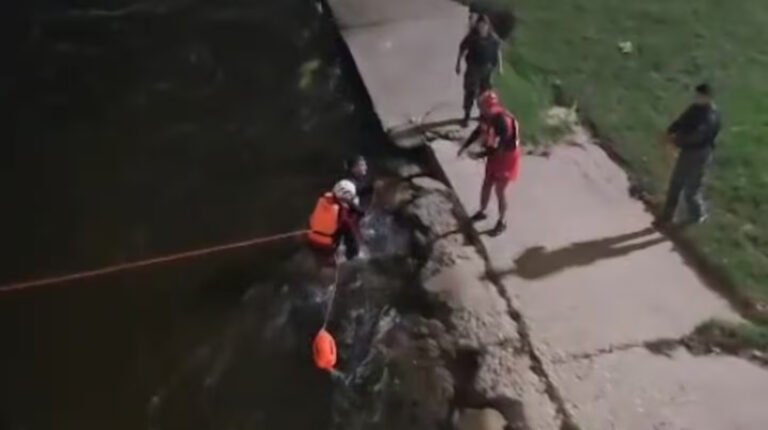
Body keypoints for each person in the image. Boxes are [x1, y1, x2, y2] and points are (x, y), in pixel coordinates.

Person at [655, 83, 722, 227]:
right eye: (696, 95)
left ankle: (696, 214)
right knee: (676, 183)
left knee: (690, 189)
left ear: (708, 97)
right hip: (689, 151)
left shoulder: (710, 116)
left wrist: (676, 141)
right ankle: (668, 215)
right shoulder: (695, 108)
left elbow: (698, 136)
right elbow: (681, 121)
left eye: (700, 96)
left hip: (699, 153)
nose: (696, 98)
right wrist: (670, 131)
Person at [457, 90, 521, 235]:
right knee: (487, 183)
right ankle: (482, 211)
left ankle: (502, 221)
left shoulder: (501, 122)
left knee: (500, 190)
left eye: (481, 106)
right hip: (495, 155)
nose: (480, 109)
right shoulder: (487, 116)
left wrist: (479, 154)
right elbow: (478, 131)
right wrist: (464, 146)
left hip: (507, 158)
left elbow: (500, 147)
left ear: (487, 107)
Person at [456, 15, 503, 127]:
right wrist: (458, 64)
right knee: (470, 92)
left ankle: (483, 115)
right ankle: (467, 115)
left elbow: (498, 52)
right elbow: (462, 49)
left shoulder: (493, 38)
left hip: (487, 69)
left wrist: (500, 67)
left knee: (485, 94)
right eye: (480, 25)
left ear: (488, 26)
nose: (482, 28)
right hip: (473, 68)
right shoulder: (472, 38)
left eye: (484, 25)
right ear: (477, 26)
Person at [308, 179, 363, 261]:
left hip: (311, 239)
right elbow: (352, 239)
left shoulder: (322, 201)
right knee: (350, 236)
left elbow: (311, 219)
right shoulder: (343, 214)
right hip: (327, 245)